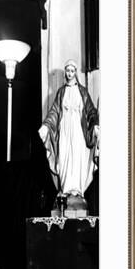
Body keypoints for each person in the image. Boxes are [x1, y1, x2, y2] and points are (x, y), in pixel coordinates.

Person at [38, 59, 100, 203]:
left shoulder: (83, 91)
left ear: (75, 72)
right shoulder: (61, 92)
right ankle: (65, 190)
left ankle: (77, 191)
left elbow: (91, 111)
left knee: (77, 157)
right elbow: (54, 112)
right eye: (67, 70)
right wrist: (46, 126)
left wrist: (95, 125)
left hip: (78, 130)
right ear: (65, 72)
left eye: (72, 71)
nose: (70, 73)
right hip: (64, 130)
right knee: (65, 156)